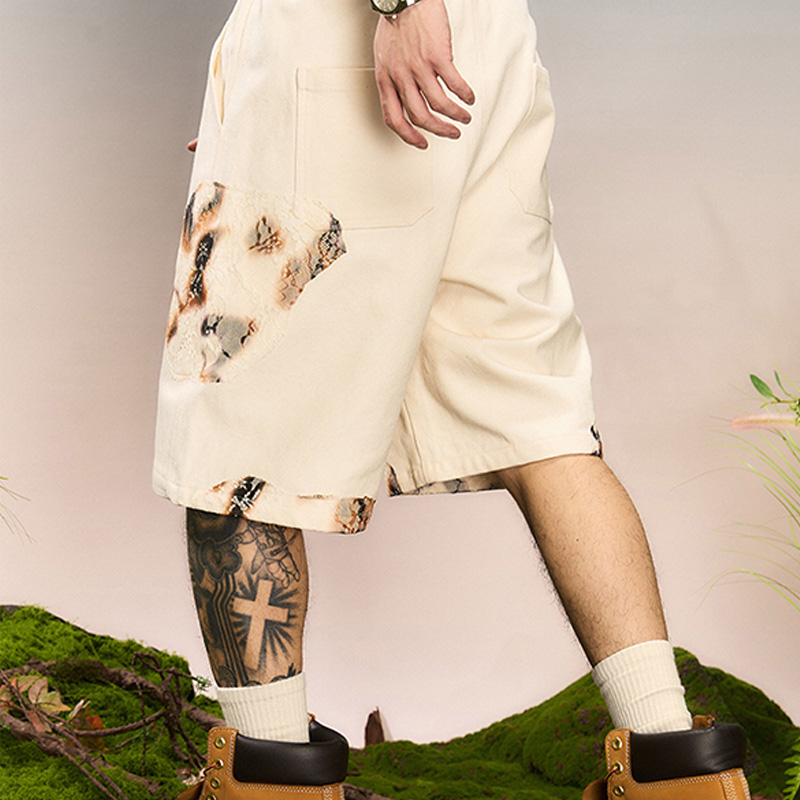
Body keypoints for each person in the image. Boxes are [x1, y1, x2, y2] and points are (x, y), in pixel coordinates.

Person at [152, 0, 752, 797]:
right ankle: (677, 774)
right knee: (538, 425)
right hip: (485, 49)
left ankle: (272, 785)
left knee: (238, 449)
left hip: (359, 34)